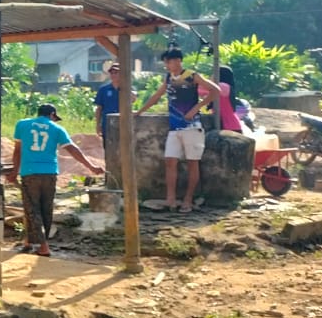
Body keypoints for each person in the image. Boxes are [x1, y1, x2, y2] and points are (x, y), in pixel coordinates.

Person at [5, 104, 103, 257]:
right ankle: (30, 242)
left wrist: (14, 172)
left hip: (30, 173)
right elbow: (72, 149)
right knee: (46, 209)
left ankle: (42, 246)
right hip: (50, 173)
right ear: (52, 115)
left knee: (32, 209)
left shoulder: (22, 124)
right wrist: (91, 166)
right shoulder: (57, 129)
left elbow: (17, 151)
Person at [135, 48, 222, 213]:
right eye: (165, 62)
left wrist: (196, 108)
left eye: (168, 61)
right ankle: (170, 199)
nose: (166, 65)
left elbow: (216, 91)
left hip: (192, 127)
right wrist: (140, 111)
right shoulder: (168, 78)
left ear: (177, 61)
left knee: (192, 163)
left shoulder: (192, 75)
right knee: (170, 161)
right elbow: (156, 96)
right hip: (174, 128)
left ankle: (188, 199)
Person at [93, 63, 133, 152]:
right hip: (107, 124)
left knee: (123, 148)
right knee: (108, 148)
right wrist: (98, 125)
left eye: (116, 72)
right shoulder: (103, 90)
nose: (114, 75)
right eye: (112, 73)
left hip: (123, 123)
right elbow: (99, 108)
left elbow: (133, 99)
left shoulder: (127, 89)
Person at [202, 65, 242, 132]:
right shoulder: (224, 87)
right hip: (227, 125)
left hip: (229, 127)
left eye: (213, 74)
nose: (211, 76)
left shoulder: (223, 86)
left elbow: (200, 88)